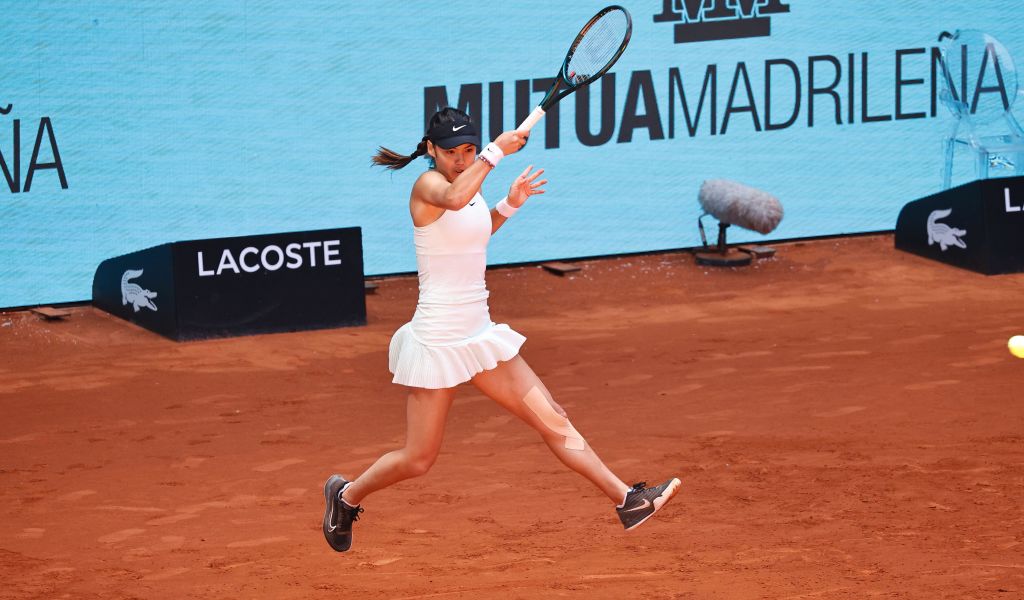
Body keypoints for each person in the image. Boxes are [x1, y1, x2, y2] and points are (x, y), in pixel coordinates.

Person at [322, 107, 680, 552]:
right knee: (418, 459)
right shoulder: (428, 185)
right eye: (451, 152)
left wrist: (509, 204)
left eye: (468, 149)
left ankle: (627, 500)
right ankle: (345, 496)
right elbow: (455, 200)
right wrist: (493, 153)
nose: (461, 159)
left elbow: (470, 234)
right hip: (438, 342)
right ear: (431, 149)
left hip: (480, 335)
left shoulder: (470, 182)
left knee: (553, 417)